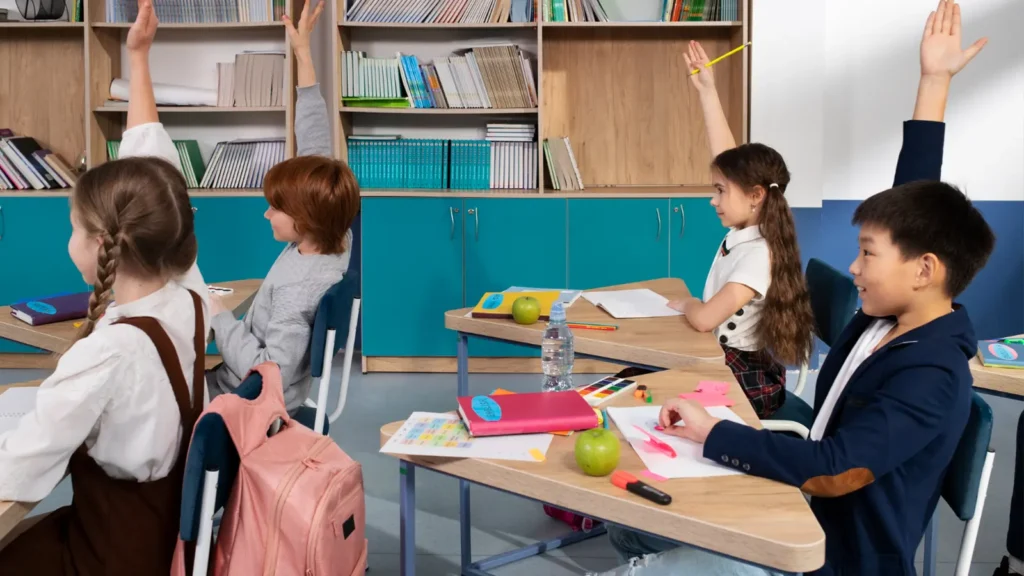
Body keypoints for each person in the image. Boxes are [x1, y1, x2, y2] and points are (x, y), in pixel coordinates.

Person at [603, 2, 992, 574]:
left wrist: (718, 435)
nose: (853, 269)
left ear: (924, 270)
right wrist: (932, 83)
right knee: (634, 529)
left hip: (824, 553)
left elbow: (833, 470)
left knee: (639, 554)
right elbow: (917, 194)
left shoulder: (932, 374)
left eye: (866, 255)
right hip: (798, 505)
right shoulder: (890, 318)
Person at [0, 1, 211, 572]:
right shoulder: (190, 300)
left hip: (107, 556)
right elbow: (153, 166)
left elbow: (21, 468)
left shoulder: (108, 351)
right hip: (159, 540)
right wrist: (137, 58)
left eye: (73, 227)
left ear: (101, 245)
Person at [205, 0, 361, 412]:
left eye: (275, 207)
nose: (266, 214)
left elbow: (267, 372)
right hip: (241, 384)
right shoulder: (335, 236)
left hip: (245, 402)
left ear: (305, 216)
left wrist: (220, 316)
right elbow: (316, 148)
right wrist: (303, 53)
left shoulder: (297, 291)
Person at [667, 40, 813, 419]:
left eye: (719, 191)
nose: (712, 200)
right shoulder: (751, 227)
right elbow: (728, 158)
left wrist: (686, 303)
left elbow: (702, 319)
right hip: (729, 365)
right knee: (640, 380)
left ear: (755, 195)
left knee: (647, 386)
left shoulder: (758, 255)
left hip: (747, 381)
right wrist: (708, 92)